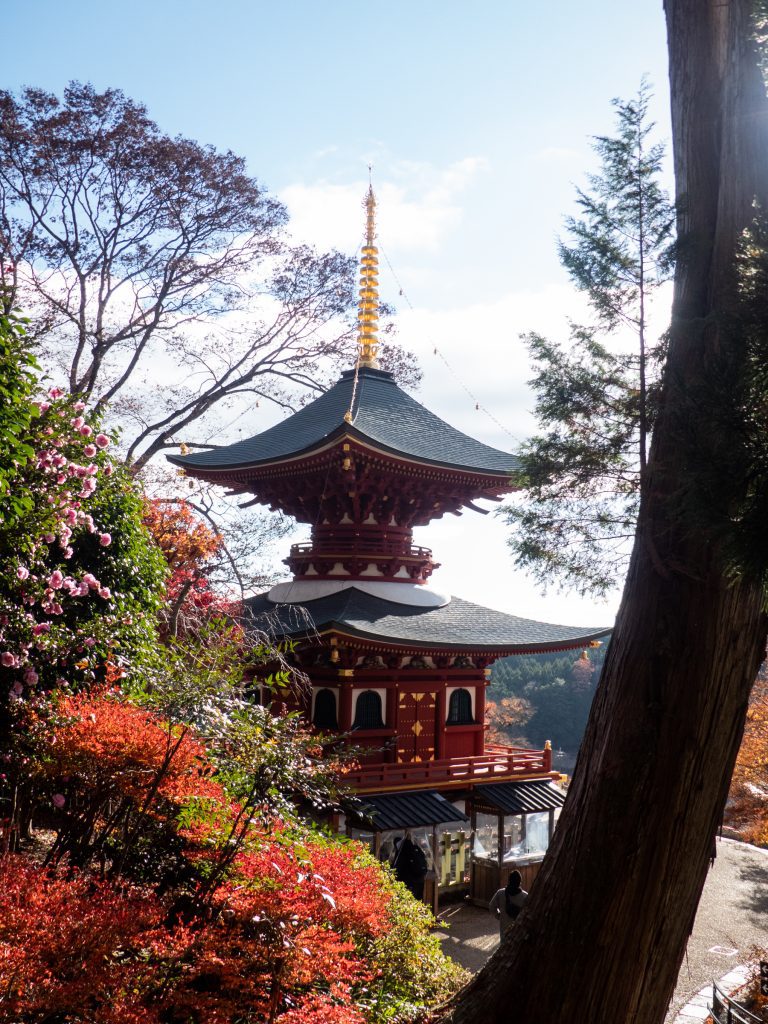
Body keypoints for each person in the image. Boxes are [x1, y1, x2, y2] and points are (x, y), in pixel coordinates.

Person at [489, 869, 528, 940]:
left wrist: (499, 916)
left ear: (509, 881)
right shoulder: (525, 896)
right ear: (520, 882)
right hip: (518, 931)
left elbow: (491, 906)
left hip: (504, 928)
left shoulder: (500, 893)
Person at [392, 833, 429, 900]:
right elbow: (424, 859)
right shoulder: (416, 848)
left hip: (408, 881)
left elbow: (397, 867)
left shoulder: (402, 852)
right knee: (418, 899)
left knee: (407, 900)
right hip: (420, 879)